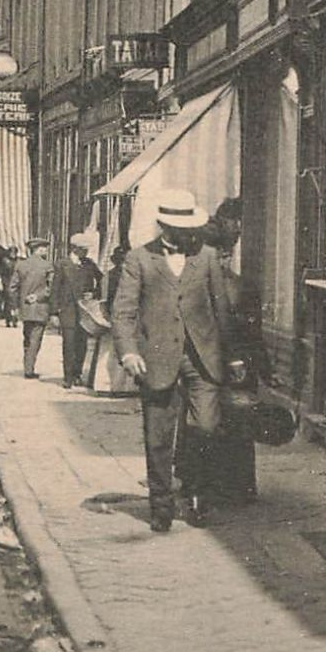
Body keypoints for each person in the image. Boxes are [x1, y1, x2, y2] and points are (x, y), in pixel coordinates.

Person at [111, 188, 242, 532]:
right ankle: (161, 505)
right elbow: (123, 312)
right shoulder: (139, 259)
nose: (188, 234)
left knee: (206, 428)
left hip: (204, 358)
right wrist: (128, 351)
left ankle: (197, 492)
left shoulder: (208, 257)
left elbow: (221, 310)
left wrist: (234, 356)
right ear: (164, 226)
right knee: (158, 436)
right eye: (180, 227)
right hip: (156, 359)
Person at [201, 197, 258, 505]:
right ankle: (230, 486)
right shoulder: (235, 286)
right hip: (232, 363)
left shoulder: (239, 286)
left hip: (230, 363)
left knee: (224, 423)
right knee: (228, 423)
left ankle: (221, 485)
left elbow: (253, 331)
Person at [53, 232, 103, 388]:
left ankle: (77, 374)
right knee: (68, 344)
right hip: (67, 310)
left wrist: (94, 293)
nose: (86, 252)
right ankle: (67, 377)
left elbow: (102, 280)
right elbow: (55, 289)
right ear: (75, 248)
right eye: (83, 249)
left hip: (84, 312)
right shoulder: (62, 264)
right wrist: (54, 313)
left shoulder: (89, 264)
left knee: (82, 344)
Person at [10, 236, 54, 378]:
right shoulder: (47, 266)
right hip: (40, 307)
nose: (46, 250)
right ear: (39, 249)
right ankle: (29, 370)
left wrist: (15, 306)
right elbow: (51, 287)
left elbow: (12, 288)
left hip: (25, 308)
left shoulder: (21, 265)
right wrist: (39, 296)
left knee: (27, 337)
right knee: (36, 338)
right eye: (44, 248)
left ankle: (27, 366)